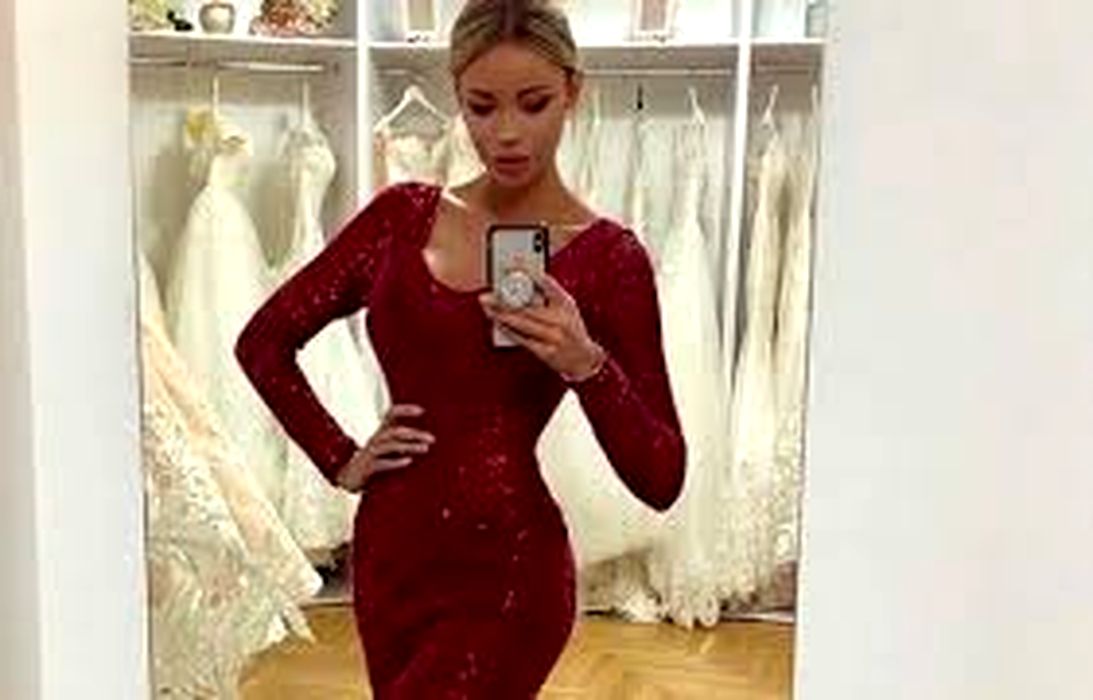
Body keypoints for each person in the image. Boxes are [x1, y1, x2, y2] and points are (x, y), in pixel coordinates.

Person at [234, 0, 686, 695]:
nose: (506, 133)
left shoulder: (608, 260)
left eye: (533, 104)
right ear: (457, 98)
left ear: (573, 92)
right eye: (481, 106)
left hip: (508, 572)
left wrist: (586, 366)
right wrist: (341, 457)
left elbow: (661, 477)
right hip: (392, 559)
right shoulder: (400, 218)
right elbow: (263, 343)